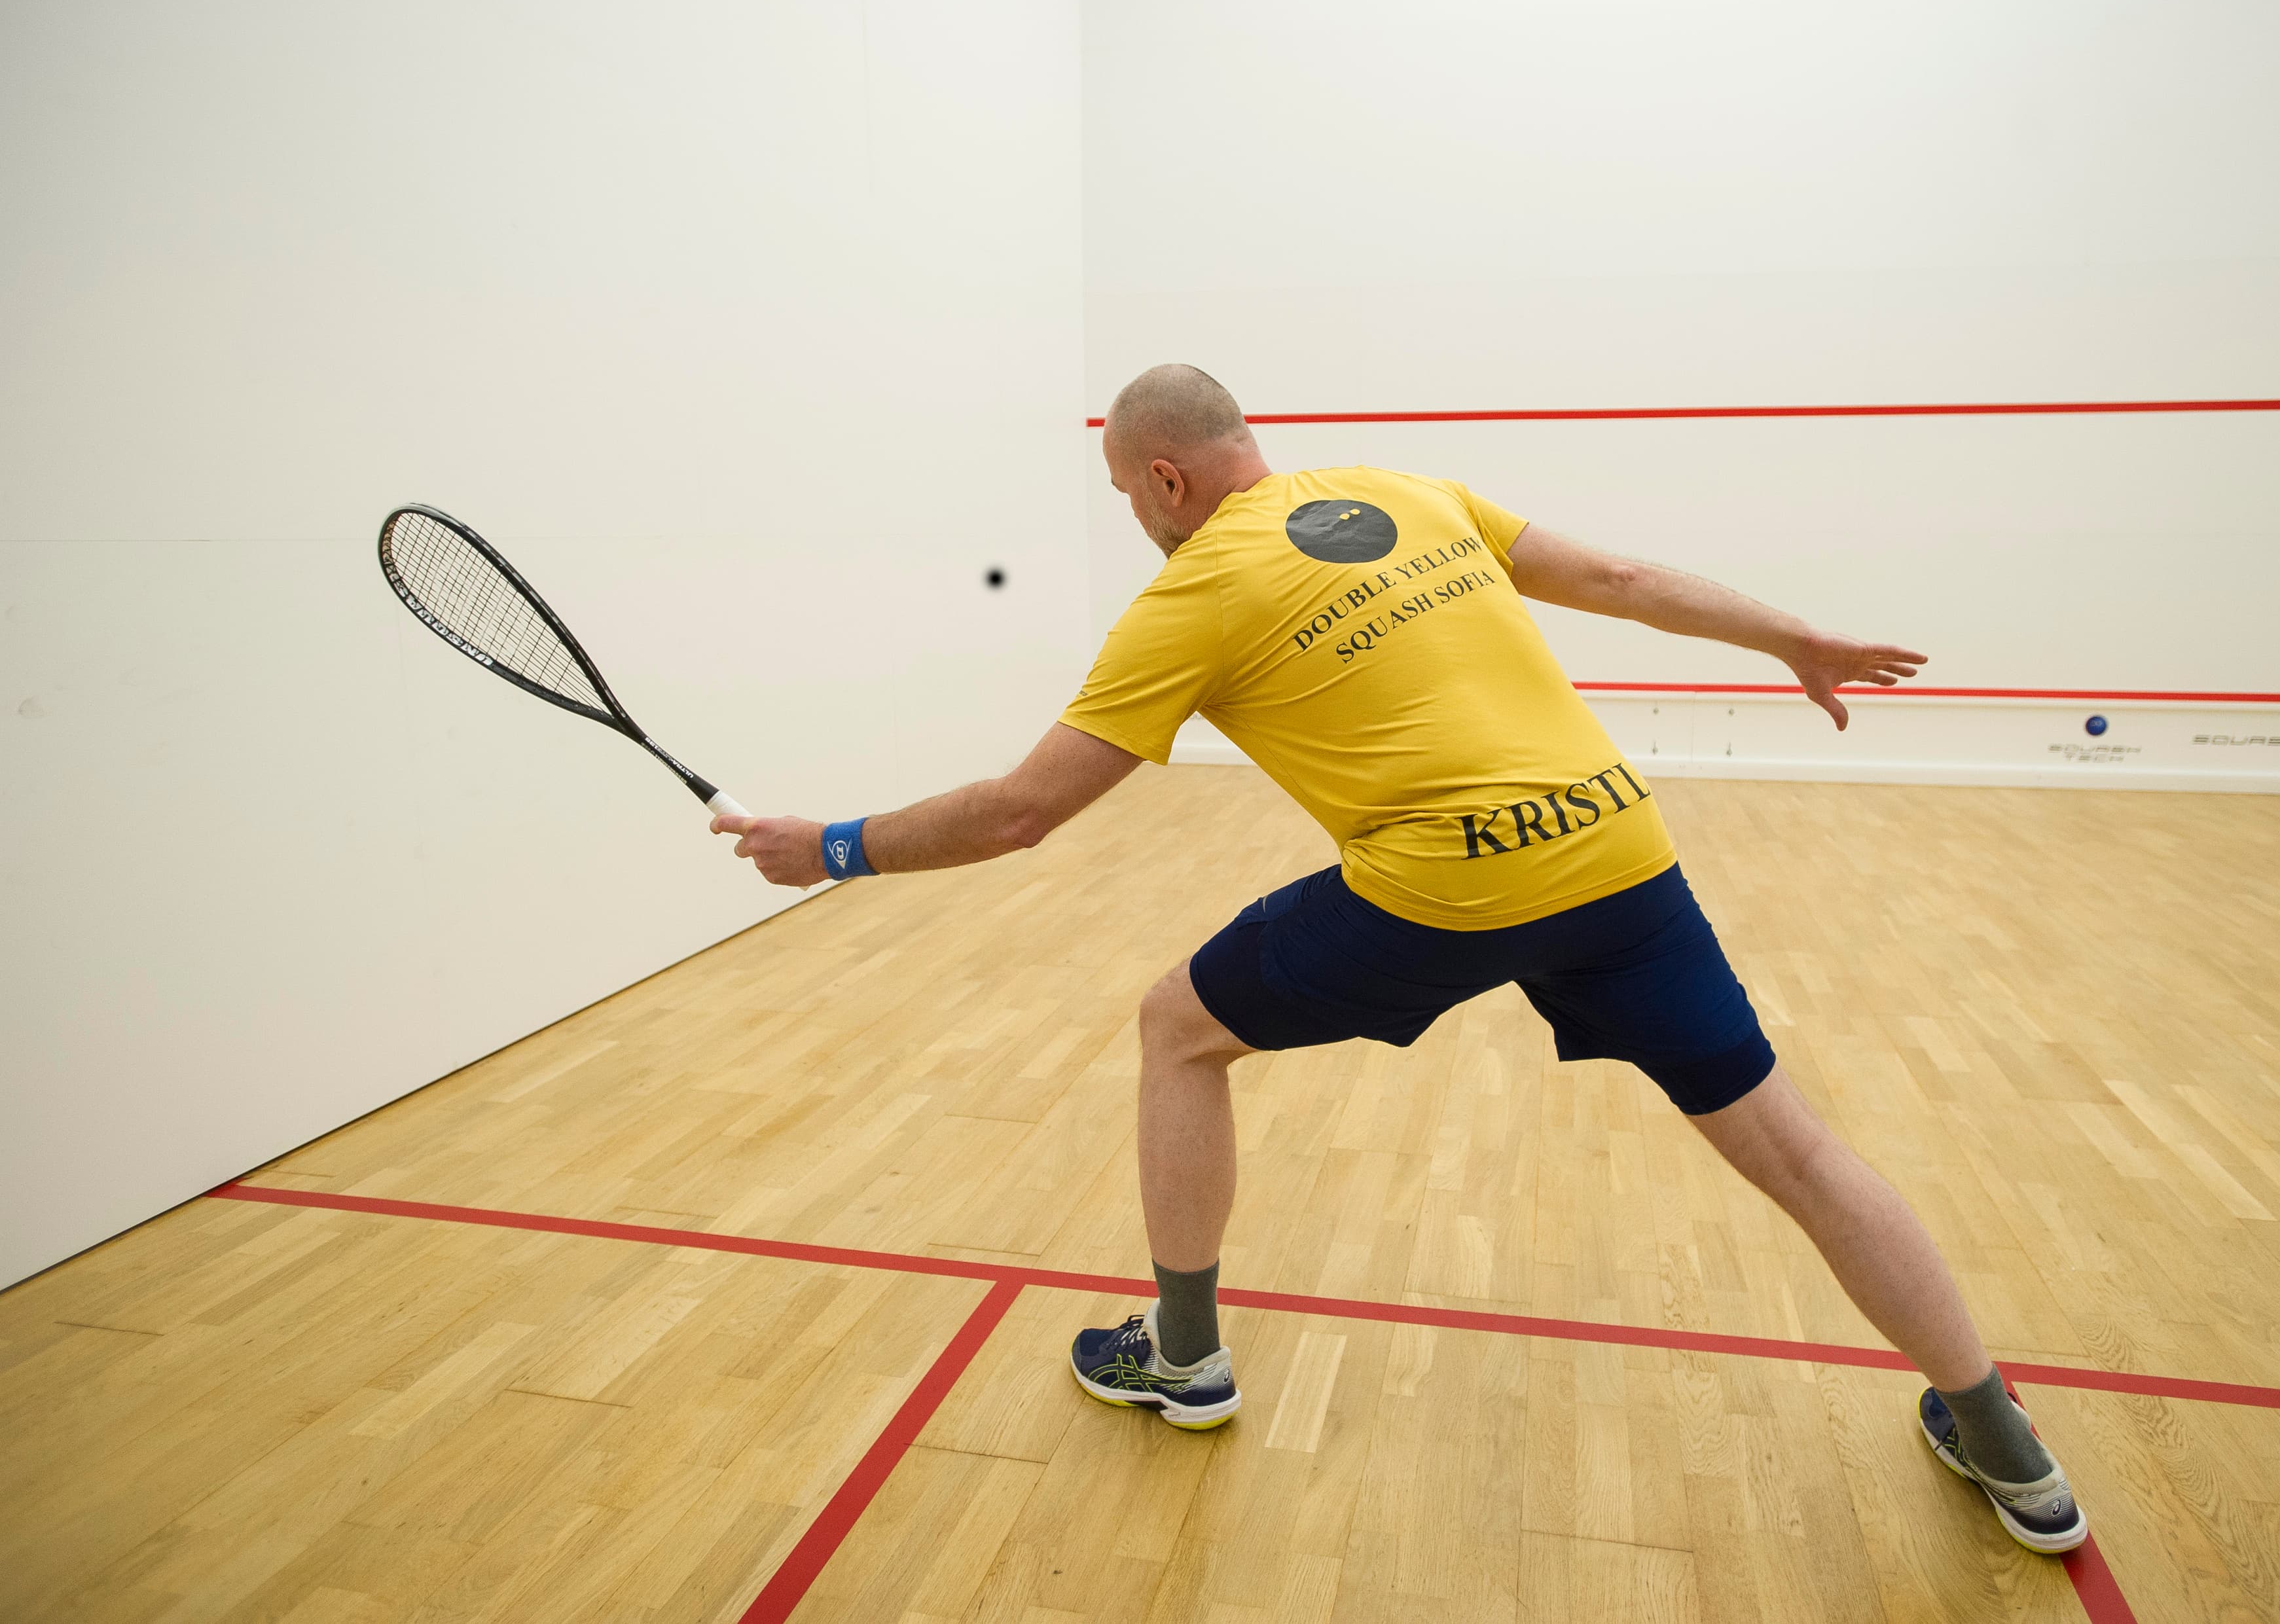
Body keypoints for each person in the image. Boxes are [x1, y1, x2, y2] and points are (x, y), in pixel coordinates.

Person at [714, 363, 2086, 1554]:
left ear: (1171, 476)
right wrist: (1793, 633)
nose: (1137, 519)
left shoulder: (1189, 594)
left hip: (1447, 881)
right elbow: (1616, 578)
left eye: (1130, 495)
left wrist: (831, 847)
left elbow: (1022, 813)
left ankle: (1184, 1359)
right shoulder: (1413, 493)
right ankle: (2006, 1447)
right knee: (1796, 1149)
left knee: (1178, 1029)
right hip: (1616, 850)